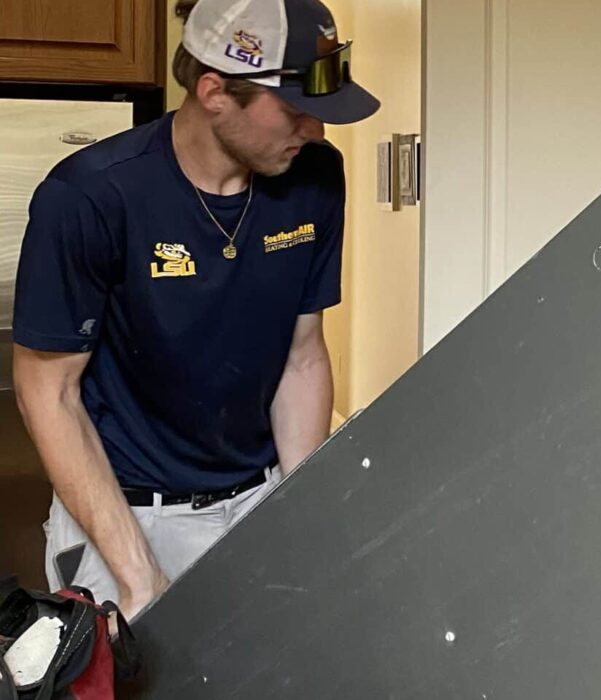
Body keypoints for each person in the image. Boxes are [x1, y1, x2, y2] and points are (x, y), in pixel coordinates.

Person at [11, 0, 379, 621]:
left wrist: (302, 511)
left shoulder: (315, 178)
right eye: (295, 110)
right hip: (126, 517)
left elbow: (301, 355)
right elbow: (49, 393)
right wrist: (139, 575)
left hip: (257, 500)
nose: (315, 130)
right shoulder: (90, 196)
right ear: (214, 93)